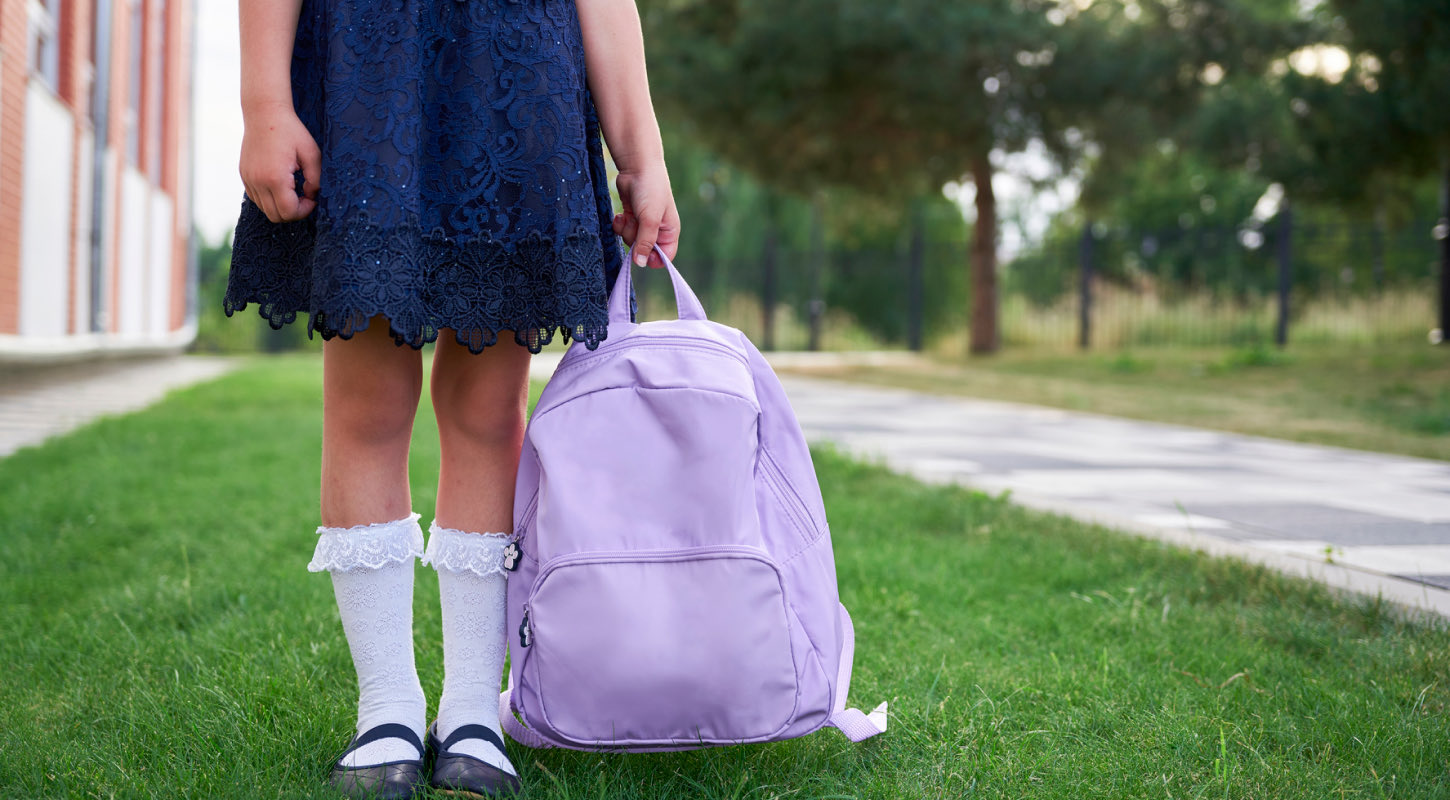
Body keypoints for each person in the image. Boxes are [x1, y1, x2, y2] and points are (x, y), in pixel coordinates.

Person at [226, 0, 681, 797]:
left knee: (487, 411)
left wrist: (641, 151)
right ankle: (388, 711)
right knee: (366, 407)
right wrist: (265, 104)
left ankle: (472, 708)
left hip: (517, 82)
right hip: (370, 73)